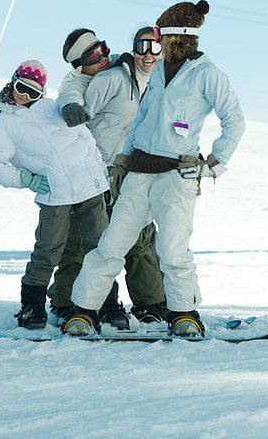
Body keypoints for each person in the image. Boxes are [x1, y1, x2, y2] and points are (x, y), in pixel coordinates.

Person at [63, 0, 246, 337]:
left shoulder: (207, 74)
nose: (156, 45)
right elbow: (142, 119)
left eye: (161, 37)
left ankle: (184, 314)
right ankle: (84, 311)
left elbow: (234, 121)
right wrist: (123, 160)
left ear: (182, 38)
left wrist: (213, 164)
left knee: (173, 249)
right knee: (111, 244)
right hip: (138, 173)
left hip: (176, 175)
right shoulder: (159, 71)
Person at [0, 60, 109, 329]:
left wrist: (99, 173)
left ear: (42, 93)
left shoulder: (54, 109)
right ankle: (32, 307)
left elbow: (86, 139)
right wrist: (26, 179)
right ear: (12, 82)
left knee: (99, 248)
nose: (25, 96)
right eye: (21, 88)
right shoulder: (4, 125)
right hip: (54, 194)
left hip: (89, 189)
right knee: (48, 250)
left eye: (33, 92)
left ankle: (106, 305)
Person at [49, 27, 166, 329]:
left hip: (132, 173)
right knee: (87, 243)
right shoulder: (106, 78)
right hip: (93, 174)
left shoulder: (151, 78)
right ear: (79, 63)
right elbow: (71, 92)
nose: (101, 55)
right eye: (91, 54)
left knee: (137, 240)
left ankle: (152, 304)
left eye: (101, 48)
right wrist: (71, 107)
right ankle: (75, 303)